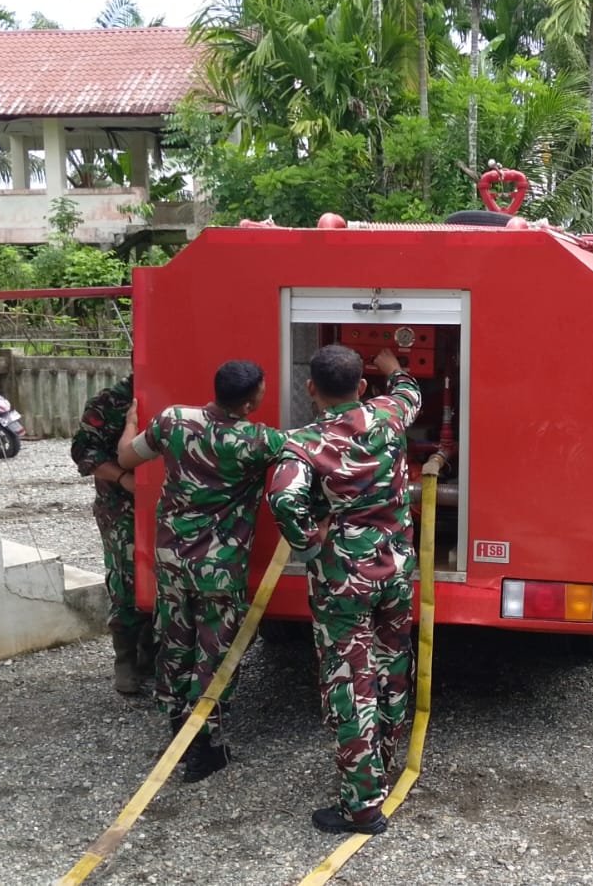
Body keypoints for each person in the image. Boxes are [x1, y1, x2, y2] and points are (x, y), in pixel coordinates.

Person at [268, 345, 419, 836]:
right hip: (396, 569)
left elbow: (284, 498)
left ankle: (362, 806)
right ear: (361, 387)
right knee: (393, 663)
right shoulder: (389, 413)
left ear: (311, 390)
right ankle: (386, 762)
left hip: (344, 581)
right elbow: (409, 389)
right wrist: (392, 364)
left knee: (351, 682)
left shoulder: (303, 443)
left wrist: (311, 548)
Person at [115, 360, 286, 783]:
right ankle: (205, 747)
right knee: (216, 652)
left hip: (172, 561)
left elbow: (125, 456)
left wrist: (131, 422)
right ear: (250, 402)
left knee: (175, 642)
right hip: (220, 569)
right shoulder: (259, 440)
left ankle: (176, 728)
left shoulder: (173, 420)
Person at [72, 372, 156, 695]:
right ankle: (127, 662)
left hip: (162, 506)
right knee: (128, 579)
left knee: (161, 578)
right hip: (121, 508)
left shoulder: (172, 389)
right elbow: (84, 453)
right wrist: (123, 479)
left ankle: (152, 657)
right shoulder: (109, 402)